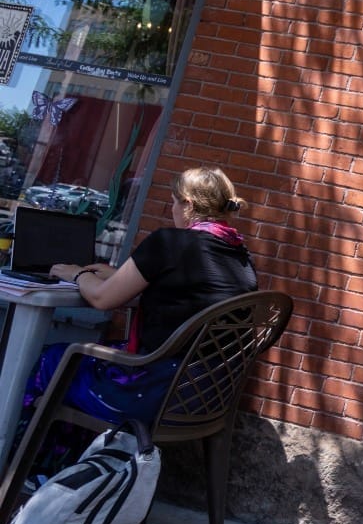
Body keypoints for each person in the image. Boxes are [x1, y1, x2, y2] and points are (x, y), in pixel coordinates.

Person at [27, 166, 258, 435]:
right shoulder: (239, 255)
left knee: (55, 358)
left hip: (152, 393)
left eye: (173, 202)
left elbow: (102, 299)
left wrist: (77, 274)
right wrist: (118, 277)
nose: (171, 209)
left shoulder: (171, 242)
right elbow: (185, 293)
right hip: (204, 398)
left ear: (188, 204)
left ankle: (26, 452)